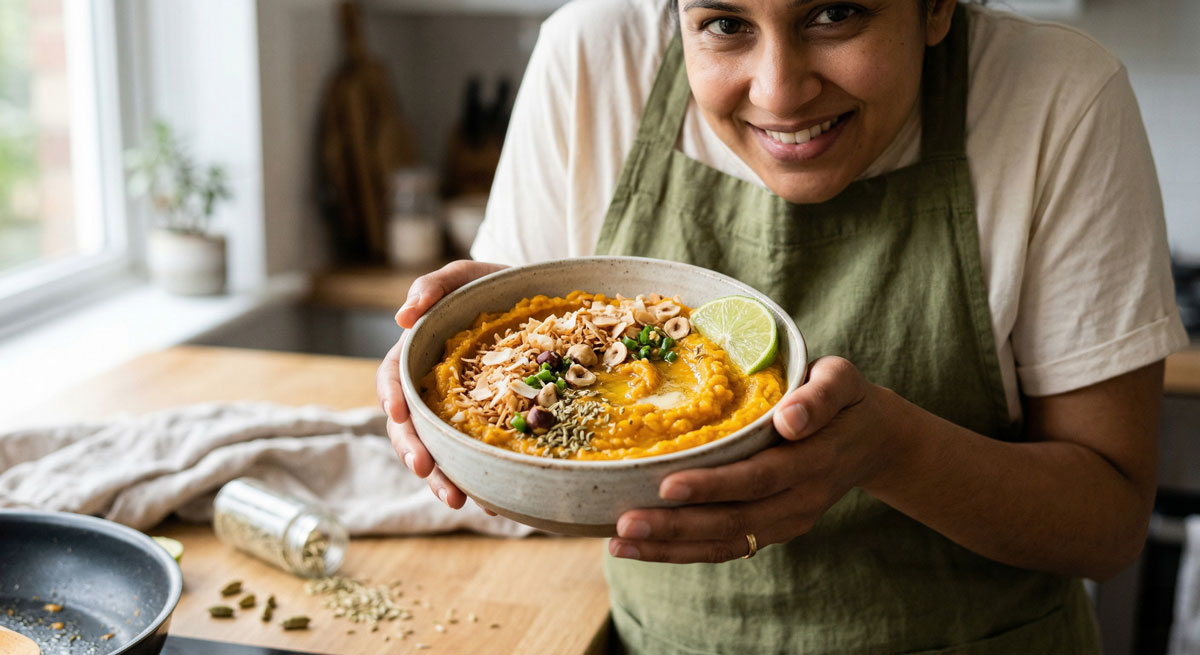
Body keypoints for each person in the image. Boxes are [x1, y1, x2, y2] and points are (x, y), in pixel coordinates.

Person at [376, 0, 1189, 651]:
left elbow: (1110, 522)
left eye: (836, 14)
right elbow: (518, 380)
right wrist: (459, 346)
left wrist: (891, 449)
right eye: (724, 23)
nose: (778, 89)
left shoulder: (1059, 97)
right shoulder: (591, 59)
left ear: (937, 8)